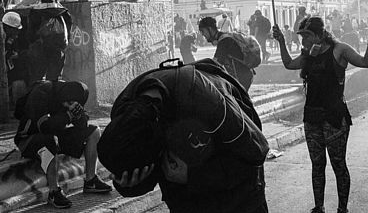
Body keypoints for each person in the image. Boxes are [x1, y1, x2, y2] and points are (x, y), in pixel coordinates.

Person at [97, 58, 270, 213]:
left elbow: (256, 152)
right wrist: (130, 184)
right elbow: (155, 168)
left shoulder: (207, 100)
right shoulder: (125, 111)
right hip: (185, 201)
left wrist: (194, 176)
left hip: (240, 200)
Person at [272, 16, 368, 213]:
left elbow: (366, 62)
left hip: (334, 117)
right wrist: (281, 42)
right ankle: (318, 207)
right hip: (312, 117)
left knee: (338, 164)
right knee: (317, 165)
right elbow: (288, 64)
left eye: (307, 36)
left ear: (320, 35)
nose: (303, 41)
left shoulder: (340, 49)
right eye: (302, 36)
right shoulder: (308, 54)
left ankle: (342, 209)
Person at [13, 80, 112, 209]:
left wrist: (79, 115)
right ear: (66, 97)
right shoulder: (41, 93)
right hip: (28, 139)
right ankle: (54, 192)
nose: (70, 105)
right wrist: (69, 115)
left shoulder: (71, 96)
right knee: (50, 139)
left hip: (55, 136)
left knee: (93, 131)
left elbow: (83, 126)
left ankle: (91, 180)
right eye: (70, 103)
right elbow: (44, 127)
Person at [28, 0, 73, 85]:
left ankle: (37, 97)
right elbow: (68, 33)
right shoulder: (64, 13)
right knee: (54, 80)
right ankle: (52, 98)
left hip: (39, 50)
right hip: (57, 52)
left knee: (37, 79)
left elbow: (30, 35)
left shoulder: (35, 12)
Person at [198, 17, 258, 91]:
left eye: (203, 31)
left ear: (209, 29)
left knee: (236, 101)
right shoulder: (224, 37)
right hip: (243, 75)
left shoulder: (224, 41)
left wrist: (199, 68)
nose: (203, 34)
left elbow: (215, 63)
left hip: (241, 77)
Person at [3, 12, 29, 106]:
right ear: (8, 28)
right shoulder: (3, 37)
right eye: (15, 30)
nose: (17, 33)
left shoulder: (11, 38)